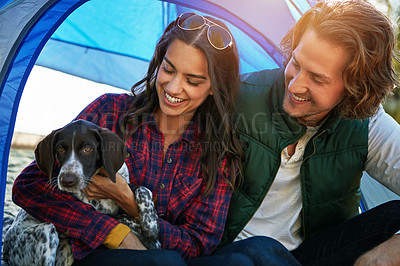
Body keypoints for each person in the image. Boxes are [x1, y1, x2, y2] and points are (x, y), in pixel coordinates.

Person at [11, 12, 246, 265]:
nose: (173, 88)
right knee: (164, 262)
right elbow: (27, 187)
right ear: (158, 61)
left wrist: (129, 201)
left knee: (242, 260)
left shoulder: (219, 154)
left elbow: (199, 244)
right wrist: (113, 232)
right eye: (168, 69)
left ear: (214, 87)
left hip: (162, 256)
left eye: (192, 81)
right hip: (87, 253)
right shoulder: (109, 111)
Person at [216, 1, 400, 265]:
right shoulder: (237, 98)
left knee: (394, 216)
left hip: (312, 254)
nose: (295, 84)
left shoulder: (366, 124)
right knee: (261, 250)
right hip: (235, 254)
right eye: (295, 62)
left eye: (317, 78)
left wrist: (393, 249)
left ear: (355, 87)